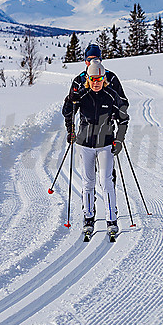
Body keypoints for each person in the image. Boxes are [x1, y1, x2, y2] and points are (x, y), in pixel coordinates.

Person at [62, 60, 129, 240]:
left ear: (104, 78)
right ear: (88, 79)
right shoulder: (82, 96)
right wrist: (71, 130)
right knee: (87, 182)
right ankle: (89, 218)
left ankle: (111, 220)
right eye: (93, 79)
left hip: (106, 144)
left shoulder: (111, 95)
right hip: (84, 144)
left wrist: (119, 140)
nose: (96, 82)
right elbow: (67, 111)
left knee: (106, 181)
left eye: (100, 78)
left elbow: (124, 119)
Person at [67, 43, 128, 110]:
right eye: (89, 59)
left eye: (95, 59)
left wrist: (116, 111)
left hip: (106, 119)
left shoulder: (110, 77)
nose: (92, 62)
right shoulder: (79, 80)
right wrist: (70, 100)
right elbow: (68, 110)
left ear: (100, 60)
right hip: (87, 119)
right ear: (85, 61)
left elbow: (123, 102)